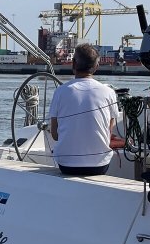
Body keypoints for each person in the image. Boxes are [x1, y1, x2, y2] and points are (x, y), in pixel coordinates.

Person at [48, 43, 122, 176]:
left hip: (66, 165)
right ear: (96, 67)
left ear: (73, 63)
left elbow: (54, 134)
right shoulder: (109, 92)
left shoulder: (60, 91)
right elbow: (109, 131)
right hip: (99, 165)